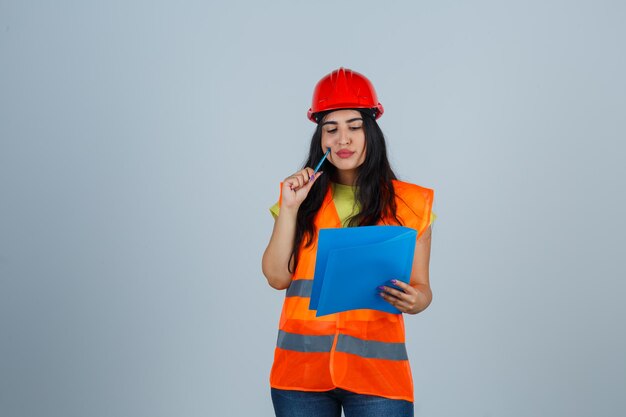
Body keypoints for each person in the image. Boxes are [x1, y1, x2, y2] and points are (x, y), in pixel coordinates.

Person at [262, 67, 435, 417]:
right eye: (332, 129)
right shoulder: (298, 198)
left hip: (378, 377)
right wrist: (290, 209)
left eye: (354, 127)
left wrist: (416, 300)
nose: (343, 139)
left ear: (371, 132)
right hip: (301, 376)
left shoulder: (411, 203)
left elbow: (422, 289)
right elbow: (277, 277)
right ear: (319, 137)